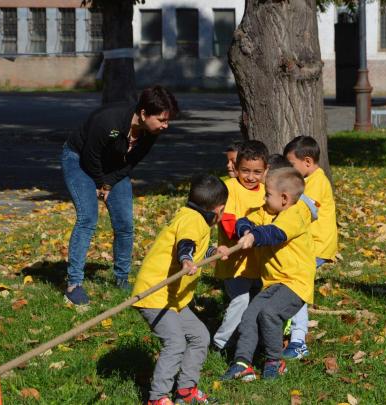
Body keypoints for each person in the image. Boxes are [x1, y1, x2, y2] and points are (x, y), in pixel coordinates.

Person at [61, 86, 178, 306]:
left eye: (167, 120)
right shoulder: (109, 121)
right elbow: (89, 156)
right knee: (88, 219)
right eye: (161, 119)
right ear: (143, 114)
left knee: (125, 224)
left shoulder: (151, 132)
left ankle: (122, 279)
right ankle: (74, 285)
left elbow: (132, 162)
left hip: (114, 169)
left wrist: (108, 183)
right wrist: (98, 183)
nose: (165, 125)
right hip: (79, 160)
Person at [132, 174, 230, 405]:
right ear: (220, 209)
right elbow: (186, 245)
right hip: (154, 294)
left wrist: (213, 253)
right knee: (176, 343)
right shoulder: (192, 221)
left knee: (199, 337)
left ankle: (186, 391)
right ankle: (157, 398)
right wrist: (186, 259)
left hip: (172, 299)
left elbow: (196, 247)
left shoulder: (192, 217)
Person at [221, 167, 317, 381]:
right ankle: (243, 362)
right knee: (249, 317)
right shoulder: (268, 210)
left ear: (284, 198)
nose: (264, 198)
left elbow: (275, 233)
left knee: (269, 314)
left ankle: (275, 360)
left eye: (267, 194)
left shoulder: (296, 213)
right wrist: (245, 231)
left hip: (296, 283)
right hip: (273, 282)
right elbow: (246, 220)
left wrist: (255, 237)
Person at [282, 136, 338, 359]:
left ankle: (298, 339)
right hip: (310, 245)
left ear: (307, 161)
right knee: (293, 282)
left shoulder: (316, 181)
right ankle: (289, 324)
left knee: (298, 287)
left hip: (315, 246)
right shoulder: (312, 179)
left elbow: (305, 208)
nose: (290, 169)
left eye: (291, 164)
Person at [212, 141, 268, 352]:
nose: (250, 177)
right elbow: (227, 220)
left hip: (260, 262)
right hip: (235, 263)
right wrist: (243, 234)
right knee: (241, 301)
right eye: (245, 171)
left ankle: (256, 341)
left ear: (265, 170)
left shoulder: (266, 190)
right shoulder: (230, 187)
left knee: (257, 303)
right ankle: (222, 342)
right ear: (236, 168)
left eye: (257, 172)